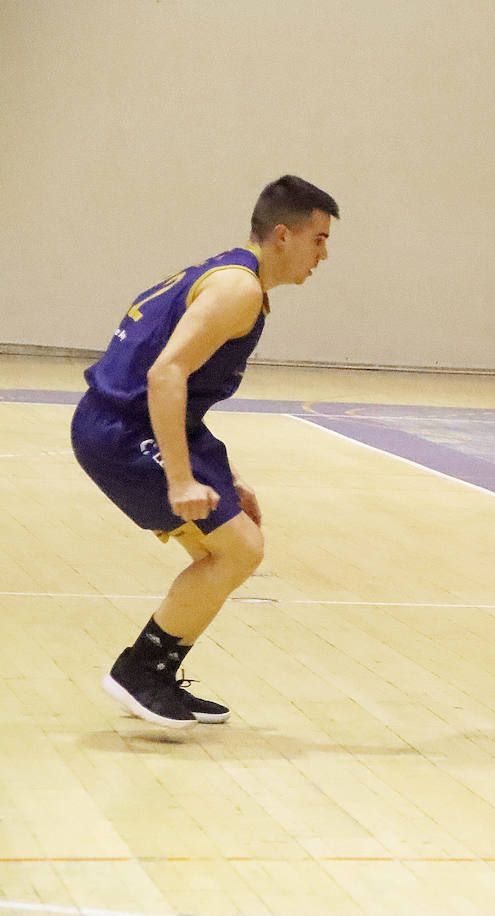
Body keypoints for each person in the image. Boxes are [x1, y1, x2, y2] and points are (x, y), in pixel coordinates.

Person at [71, 175, 339, 728]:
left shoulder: (235, 275)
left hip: (140, 421)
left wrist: (223, 471)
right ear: (283, 235)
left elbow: (182, 388)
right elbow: (165, 371)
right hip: (119, 428)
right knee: (237, 550)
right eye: (319, 239)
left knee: (229, 549)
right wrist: (179, 479)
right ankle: (139, 674)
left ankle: (154, 673)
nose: (324, 254)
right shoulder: (237, 290)